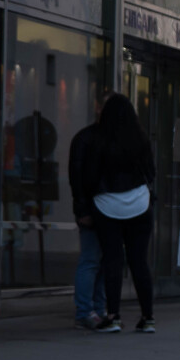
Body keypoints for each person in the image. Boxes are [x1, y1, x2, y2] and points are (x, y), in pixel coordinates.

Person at [83, 93, 156, 333]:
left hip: (107, 205)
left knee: (112, 261)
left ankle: (113, 316)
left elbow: (90, 176)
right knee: (139, 262)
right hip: (139, 204)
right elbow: (151, 172)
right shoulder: (141, 138)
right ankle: (148, 317)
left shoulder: (98, 139)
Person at [68, 93, 109, 329]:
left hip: (103, 210)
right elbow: (77, 178)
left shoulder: (94, 138)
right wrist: (82, 209)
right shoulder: (86, 139)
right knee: (92, 259)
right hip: (94, 210)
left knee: (100, 261)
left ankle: (95, 308)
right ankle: (87, 310)